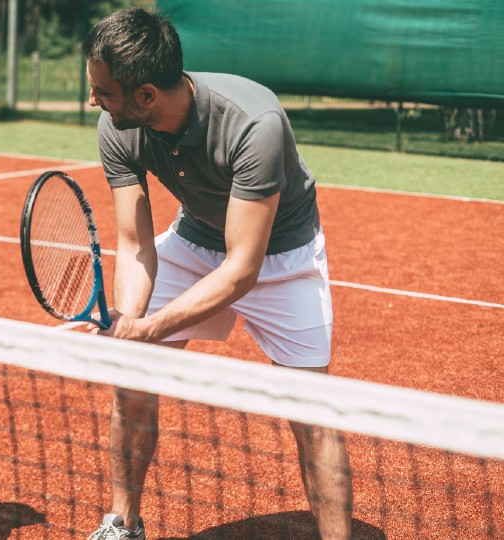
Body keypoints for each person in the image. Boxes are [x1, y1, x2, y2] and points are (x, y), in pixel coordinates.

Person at [81, 8, 353, 540]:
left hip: (281, 257)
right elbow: (135, 242)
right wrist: (129, 324)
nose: (94, 99)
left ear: (146, 96)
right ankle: (123, 522)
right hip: (196, 239)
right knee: (131, 377)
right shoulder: (117, 128)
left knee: (313, 415)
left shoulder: (255, 123)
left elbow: (241, 269)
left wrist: (149, 328)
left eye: (104, 91)